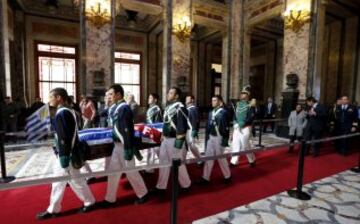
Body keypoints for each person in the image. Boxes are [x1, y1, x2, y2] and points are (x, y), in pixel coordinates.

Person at [37, 88, 96, 220]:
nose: (49, 100)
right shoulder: (66, 111)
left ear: (59, 98)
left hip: (66, 154)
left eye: (50, 97)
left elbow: (64, 137)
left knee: (61, 181)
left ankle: (54, 209)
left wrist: (64, 155)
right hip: (67, 153)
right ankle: (89, 201)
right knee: (75, 180)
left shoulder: (62, 113)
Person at [101, 84, 149, 207]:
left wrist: (128, 148)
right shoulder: (117, 107)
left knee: (131, 172)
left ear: (118, 95)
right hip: (117, 146)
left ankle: (143, 193)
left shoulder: (124, 108)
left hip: (124, 146)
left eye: (111, 94)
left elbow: (127, 130)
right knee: (113, 172)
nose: (109, 97)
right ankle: (109, 198)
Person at [153, 87, 191, 193]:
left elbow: (182, 127)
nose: (168, 94)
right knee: (163, 162)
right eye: (168, 93)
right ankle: (161, 186)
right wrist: (163, 135)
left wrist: (178, 145)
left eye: (171, 93)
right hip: (166, 139)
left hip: (174, 141)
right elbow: (166, 123)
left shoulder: (180, 108)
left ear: (176, 96)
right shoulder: (169, 107)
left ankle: (186, 185)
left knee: (178, 165)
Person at [199, 95, 231, 184]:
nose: (213, 102)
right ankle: (205, 178)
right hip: (211, 137)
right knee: (208, 157)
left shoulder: (223, 112)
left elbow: (226, 127)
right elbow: (208, 126)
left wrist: (225, 139)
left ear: (220, 102)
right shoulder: (211, 112)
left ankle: (227, 176)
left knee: (220, 158)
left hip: (219, 137)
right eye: (212, 100)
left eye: (215, 100)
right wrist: (207, 138)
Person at [230, 89, 256, 167]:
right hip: (237, 127)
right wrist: (235, 122)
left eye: (244, 94)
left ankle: (252, 159)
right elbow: (235, 115)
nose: (243, 95)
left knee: (245, 145)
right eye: (242, 93)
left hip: (246, 127)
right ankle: (234, 161)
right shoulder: (238, 105)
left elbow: (251, 116)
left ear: (248, 96)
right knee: (236, 144)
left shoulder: (251, 105)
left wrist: (244, 122)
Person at [145, 93, 162, 173]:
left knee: (157, 150)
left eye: (151, 98)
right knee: (150, 150)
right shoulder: (150, 108)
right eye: (149, 97)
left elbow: (158, 122)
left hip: (155, 132)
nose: (149, 99)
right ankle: (149, 169)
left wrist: (156, 133)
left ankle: (167, 165)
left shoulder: (157, 109)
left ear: (155, 100)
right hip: (149, 131)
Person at [184, 95, 201, 160]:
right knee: (187, 146)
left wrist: (194, 130)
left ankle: (200, 159)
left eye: (188, 99)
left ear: (192, 100)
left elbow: (195, 120)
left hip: (191, 129)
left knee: (192, 146)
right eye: (186, 99)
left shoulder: (193, 109)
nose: (186, 100)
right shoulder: (188, 109)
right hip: (187, 130)